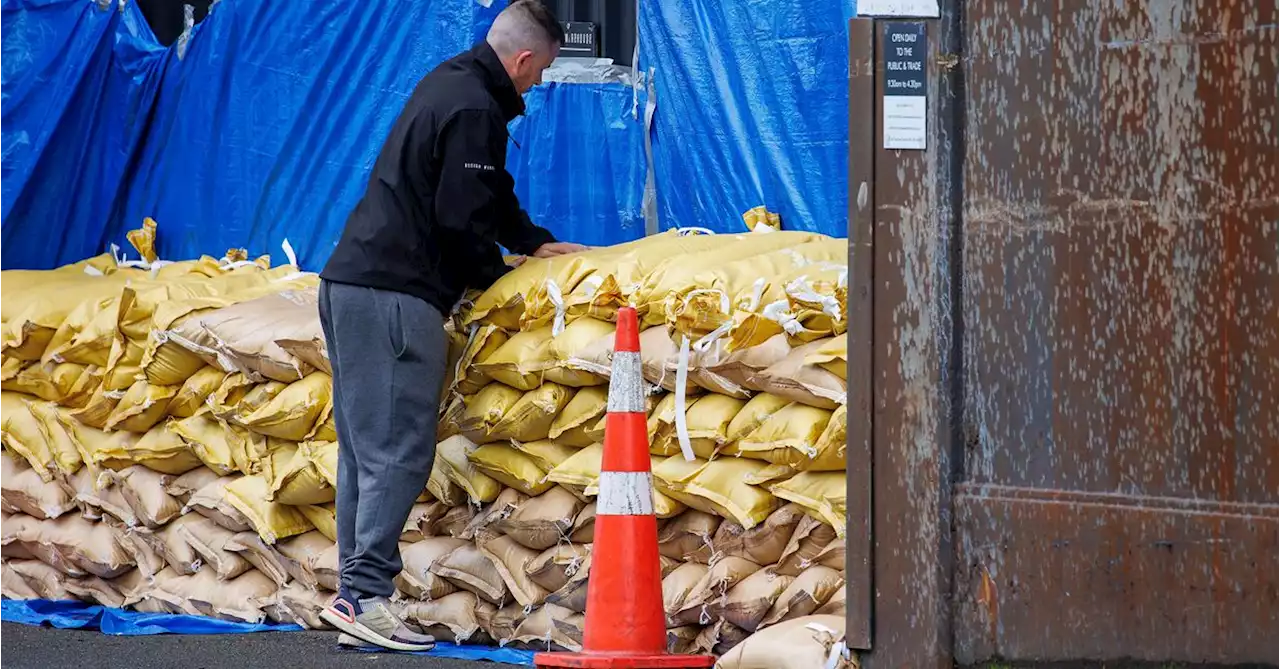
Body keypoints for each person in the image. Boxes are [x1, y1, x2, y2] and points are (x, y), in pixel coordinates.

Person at [317, 0, 585, 651]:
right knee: (397, 455)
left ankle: (356, 595)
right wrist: (500, 284)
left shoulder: (454, 83)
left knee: (362, 454)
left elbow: (486, 193)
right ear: (523, 60)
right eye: (541, 71)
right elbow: (461, 218)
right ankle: (366, 596)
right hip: (394, 298)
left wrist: (531, 239)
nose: (538, 85)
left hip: (349, 285)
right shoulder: (474, 107)